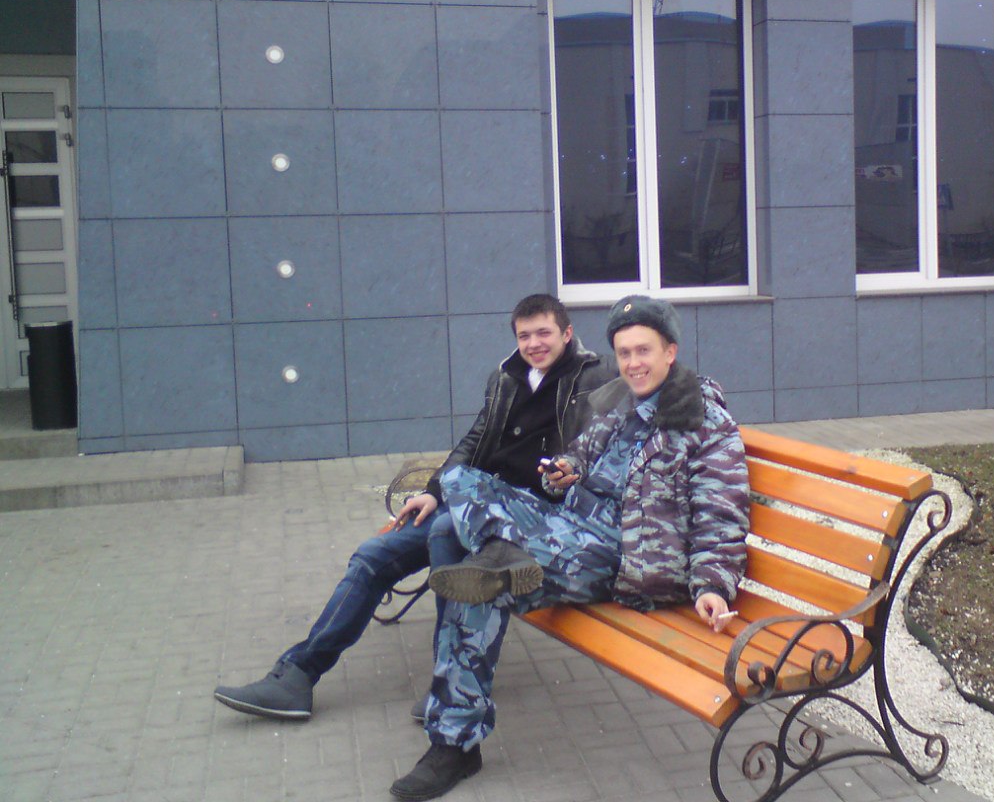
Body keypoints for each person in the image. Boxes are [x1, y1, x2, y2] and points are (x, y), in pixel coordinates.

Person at [388, 295, 749, 801]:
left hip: (626, 556)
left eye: (643, 351)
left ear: (670, 352)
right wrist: (563, 474)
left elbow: (721, 513)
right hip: (568, 526)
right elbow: (577, 457)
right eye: (624, 353)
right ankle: (500, 558)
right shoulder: (622, 404)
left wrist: (711, 584)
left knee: (481, 585)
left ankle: (453, 745)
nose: (633, 363)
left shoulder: (704, 422)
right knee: (460, 480)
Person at [212, 294, 614, 722]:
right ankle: (297, 675)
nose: (533, 344)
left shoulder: (594, 378)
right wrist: (435, 490)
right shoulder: (506, 376)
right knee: (373, 556)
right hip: (470, 499)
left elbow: (601, 449)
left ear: (567, 333)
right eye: (524, 335)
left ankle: (451, 684)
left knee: (445, 538)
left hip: (527, 518)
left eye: (543, 333)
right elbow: (475, 440)